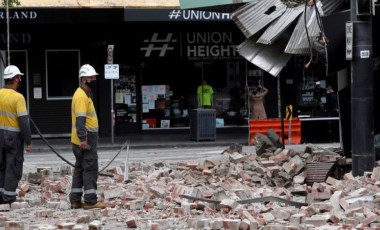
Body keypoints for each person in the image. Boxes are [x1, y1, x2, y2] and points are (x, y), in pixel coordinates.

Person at [69, 64, 105, 210]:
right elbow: (80, 120)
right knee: (90, 168)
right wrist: (83, 139)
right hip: (86, 139)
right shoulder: (81, 96)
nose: (93, 80)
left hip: (80, 139)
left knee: (79, 168)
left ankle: (75, 200)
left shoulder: (82, 94)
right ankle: (90, 201)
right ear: (83, 79)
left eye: (94, 77)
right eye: (91, 78)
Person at [0, 65, 32, 205]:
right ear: (14, 79)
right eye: (19, 78)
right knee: (13, 166)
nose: (20, 81)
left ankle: (1, 195)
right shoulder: (18, 98)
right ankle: (8, 197)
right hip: (13, 137)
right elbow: (24, 122)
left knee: (1, 165)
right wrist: (28, 141)